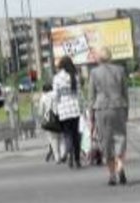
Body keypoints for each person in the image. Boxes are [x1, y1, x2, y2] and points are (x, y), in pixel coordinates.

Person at [89, 47, 130, 186]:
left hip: (101, 108)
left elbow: (91, 96)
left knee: (106, 141)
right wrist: (126, 110)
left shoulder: (94, 73)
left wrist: (91, 118)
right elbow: (125, 92)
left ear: (99, 58)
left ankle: (112, 175)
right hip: (118, 106)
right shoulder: (120, 70)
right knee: (120, 137)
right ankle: (120, 166)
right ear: (111, 57)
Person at [52, 56, 82, 169]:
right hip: (75, 109)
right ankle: (78, 160)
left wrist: (56, 109)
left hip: (63, 110)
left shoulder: (57, 78)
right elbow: (79, 95)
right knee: (76, 135)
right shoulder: (75, 76)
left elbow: (55, 96)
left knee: (67, 135)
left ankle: (69, 154)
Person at [38, 83, 64, 163]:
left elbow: (40, 111)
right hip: (60, 117)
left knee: (53, 139)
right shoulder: (57, 95)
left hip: (50, 120)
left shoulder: (43, 97)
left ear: (44, 90)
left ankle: (57, 157)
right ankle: (64, 154)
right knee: (62, 138)